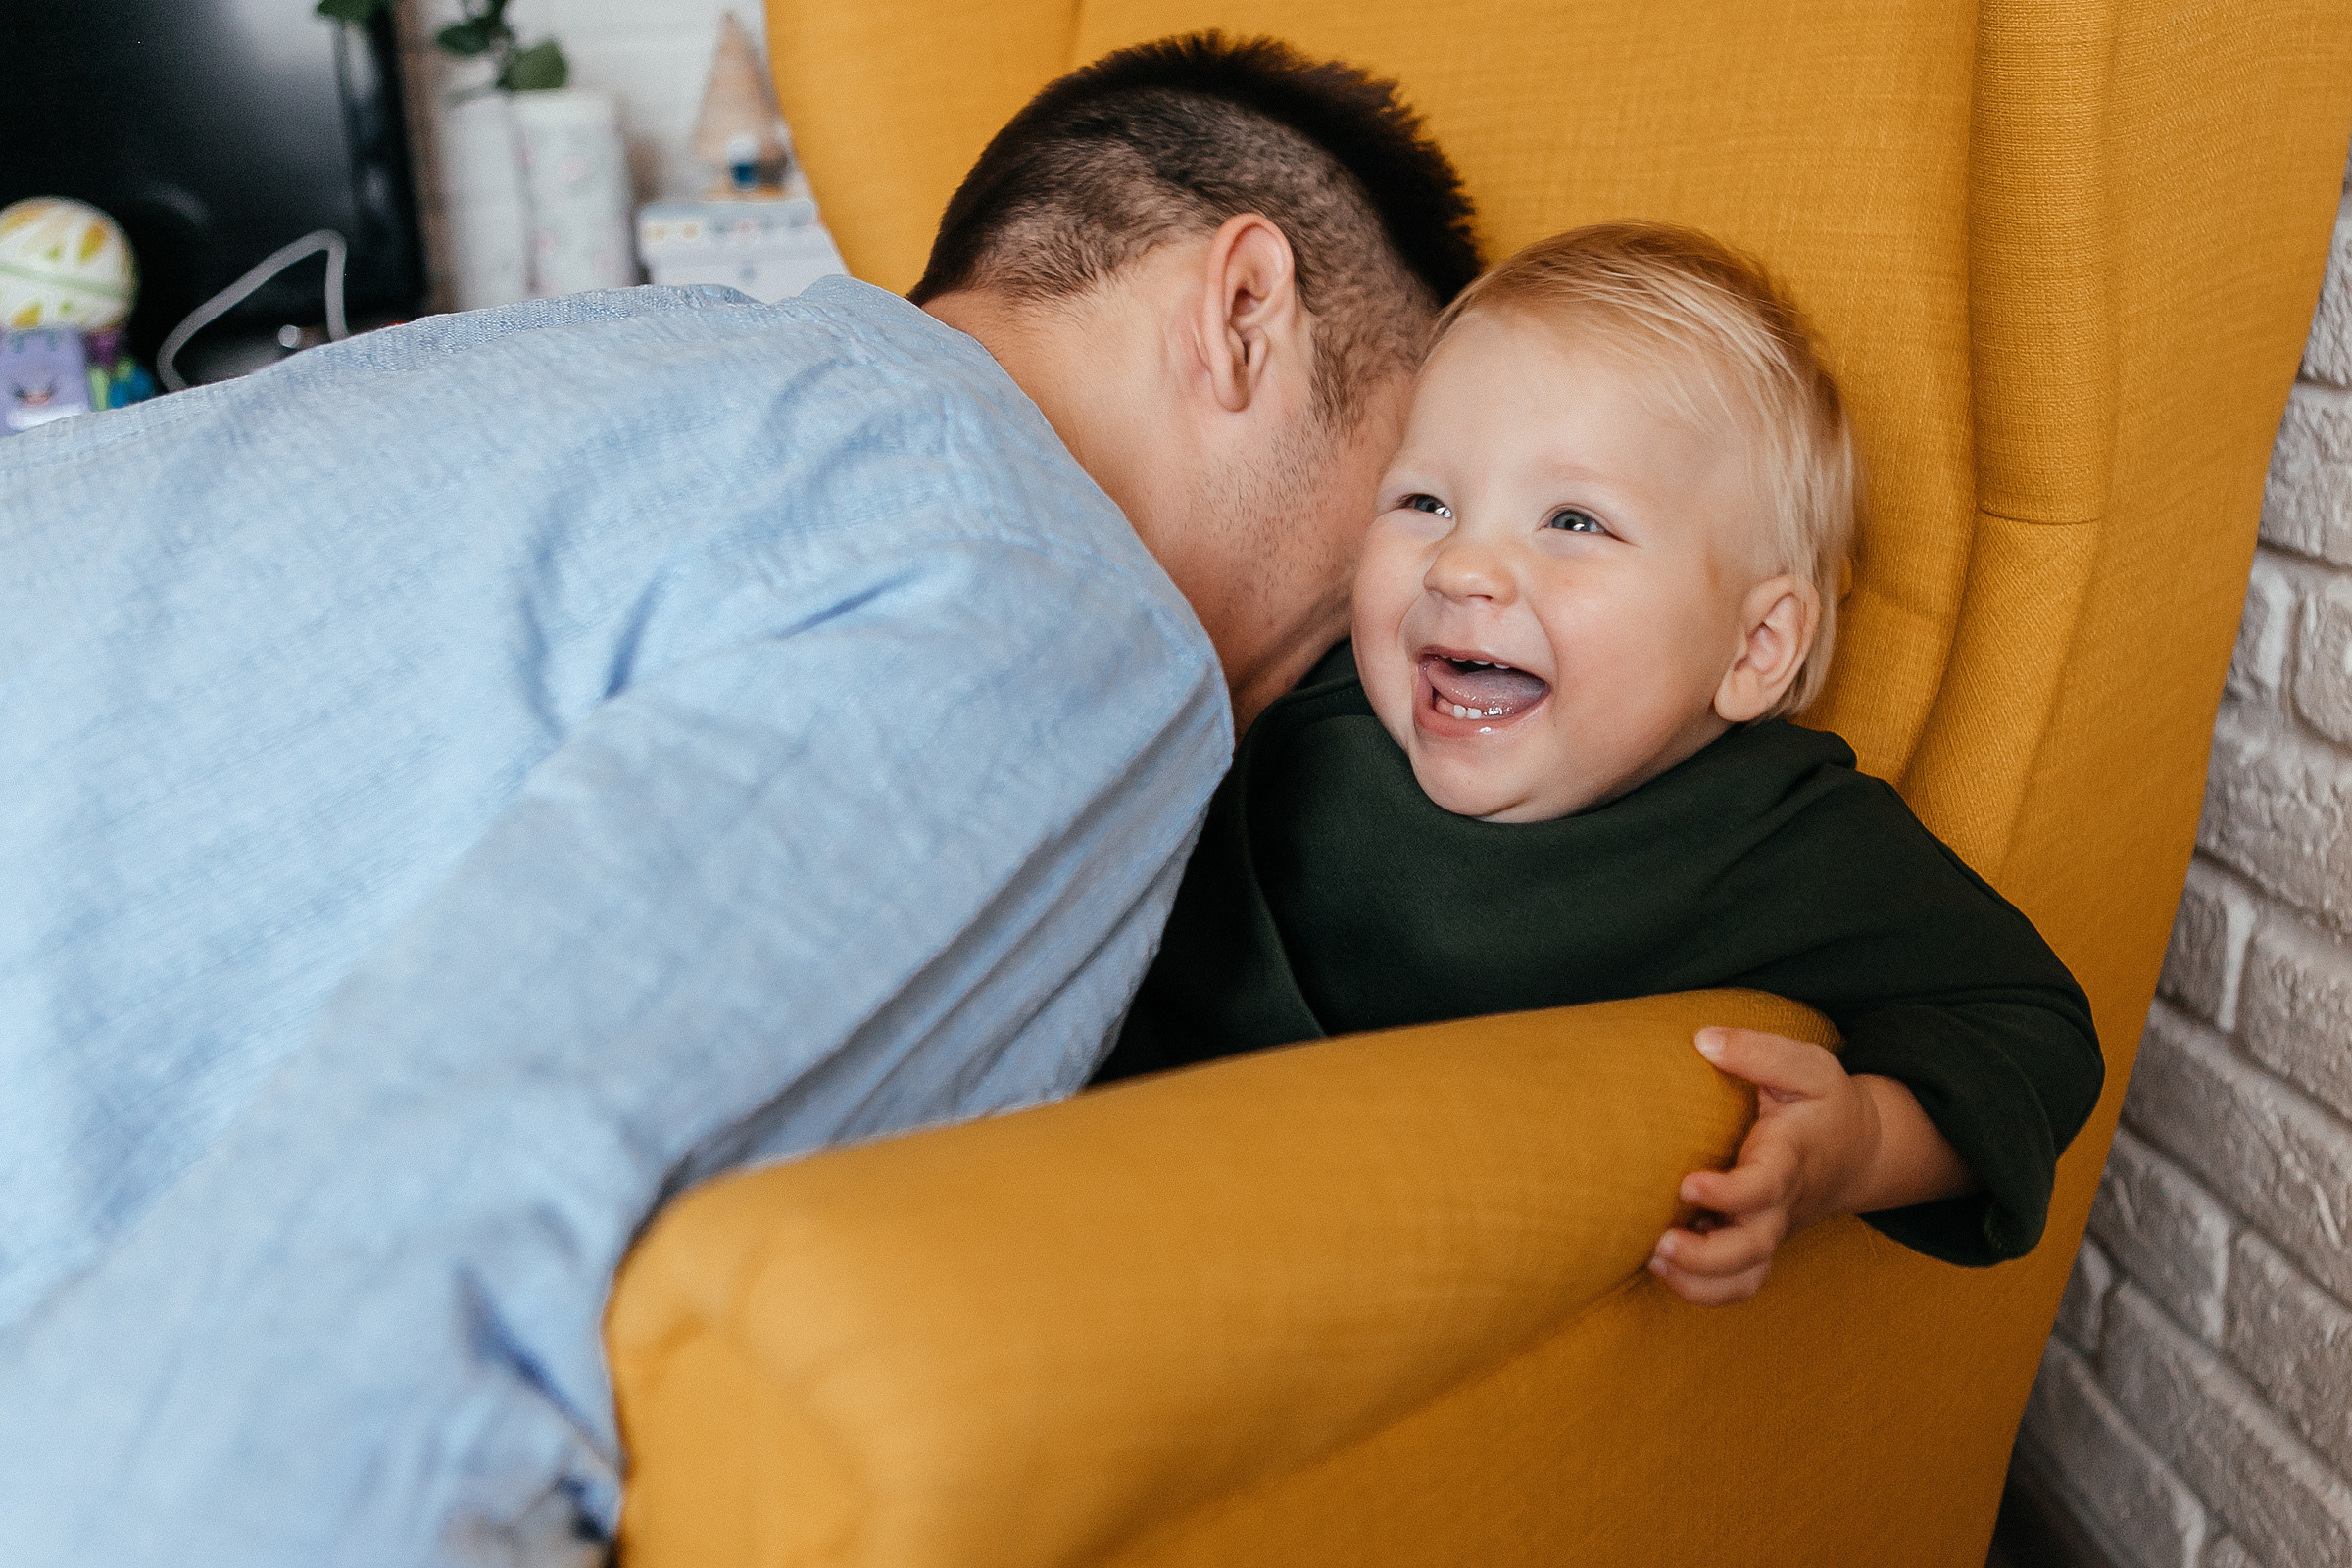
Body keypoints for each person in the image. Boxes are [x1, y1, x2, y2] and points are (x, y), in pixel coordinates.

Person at [0, 33, 1480, 1566]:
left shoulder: (601, 367)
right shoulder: (1053, 587)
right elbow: (340, 1354)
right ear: (1242, 312)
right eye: (1406, 503)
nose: (1367, 641)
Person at [1095, 222, 2105, 1301]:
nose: (1462, 566)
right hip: (1096, 1164)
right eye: (1426, 502)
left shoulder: (1778, 840)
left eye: (1574, 521)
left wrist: (1857, 1146)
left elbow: (2034, 1031)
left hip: (1349, 1278)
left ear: (1754, 649)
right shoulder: (1317, 705)